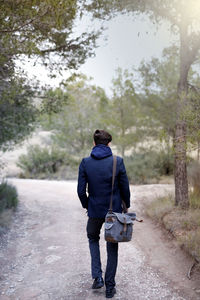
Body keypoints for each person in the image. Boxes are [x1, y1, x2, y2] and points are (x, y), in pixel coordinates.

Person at [77, 129, 130, 299]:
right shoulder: (117, 161)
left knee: (93, 239)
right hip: (113, 211)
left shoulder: (85, 162)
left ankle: (97, 277)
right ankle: (110, 288)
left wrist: (88, 206)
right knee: (112, 245)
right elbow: (125, 188)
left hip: (94, 211)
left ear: (94, 143)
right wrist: (125, 205)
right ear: (109, 144)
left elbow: (80, 191)